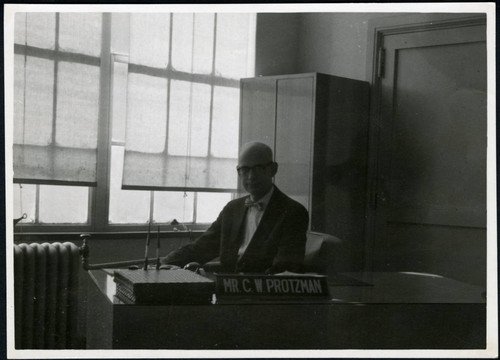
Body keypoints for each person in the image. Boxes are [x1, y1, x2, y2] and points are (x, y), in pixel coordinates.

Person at [161, 141, 309, 273]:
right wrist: (161, 265)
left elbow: (285, 267)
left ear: (273, 169)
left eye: (258, 168)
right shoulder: (232, 209)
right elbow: (201, 248)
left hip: (263, 298)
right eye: (245, 170)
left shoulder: (293, 212)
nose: (251, 176)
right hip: (227, 291)